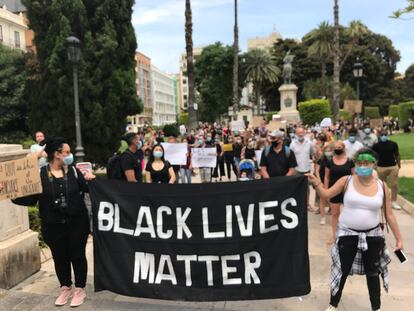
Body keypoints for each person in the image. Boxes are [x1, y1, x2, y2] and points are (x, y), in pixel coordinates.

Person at [307, 148, 403, 311]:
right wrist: (316, 182)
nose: (363, 165)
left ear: (374, 164)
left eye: (367, 162)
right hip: (347, 234)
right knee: (342, 270)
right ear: (355, 163)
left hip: (373, 236)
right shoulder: (347, 181)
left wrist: (399, 239)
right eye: (359, 162)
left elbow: (389, 215)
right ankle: (333, 304)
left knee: (373, 272)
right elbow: (327, 194)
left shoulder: (381, 186)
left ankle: (376, 307)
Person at [12, 138, 95, 307]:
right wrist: (12, 195)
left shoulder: (73, 172)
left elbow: (87, 189)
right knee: (59, 257)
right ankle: (65, 288)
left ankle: (80, 289)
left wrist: (92, 180)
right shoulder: (40, 175)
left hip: (77, 223)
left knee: (78, 256)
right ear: (57, 154)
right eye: (67, 152)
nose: (70, 155)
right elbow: (30, 199)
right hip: (52, 225)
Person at [325, 141, 355, 242]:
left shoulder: (350, 161)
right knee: (335, 214)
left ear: (343, 148)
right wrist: (326, 190)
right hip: (334, 190)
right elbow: (326, 177)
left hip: (347, 190)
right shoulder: (330, 161)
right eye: (336, 147)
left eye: (339, 147)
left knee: (349, 213)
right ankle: (334, 235)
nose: (338, 148)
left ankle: (348, 235)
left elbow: (354, 176)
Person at [373, 130, 402, 210]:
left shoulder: (393, 144)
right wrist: (375, 166)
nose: (384, 136)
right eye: (382, 135)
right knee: (382, 185)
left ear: (387, 135)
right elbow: (373, 156)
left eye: (385, 134)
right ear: (379, 136)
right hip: (381, 167)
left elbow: (397, 154)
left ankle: (394, 201)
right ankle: (383, 201)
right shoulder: (376, 146)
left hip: (392, 167)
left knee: (394, 185)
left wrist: (399, 165)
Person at [315, 141, 335, 225]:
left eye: (330, 150)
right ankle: (322, 217)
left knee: (333, 201)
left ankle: (335, 216)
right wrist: (319, 181)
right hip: (322, 182)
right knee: (322, 200)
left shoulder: (335, 159)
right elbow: (317, 170)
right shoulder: (321, 159)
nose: (328, 152)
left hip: (333, 182)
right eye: (327, 150)